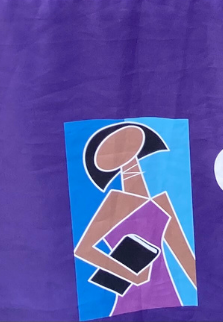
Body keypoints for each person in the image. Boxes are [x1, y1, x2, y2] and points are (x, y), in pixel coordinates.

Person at [73, 122, 196, 314]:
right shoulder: (114, 203)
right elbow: (83, 250)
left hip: (168, 294)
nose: (131, 163)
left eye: (133, 154)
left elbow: (186, 259)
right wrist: (130, 274)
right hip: (129, 297)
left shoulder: (161, 203)